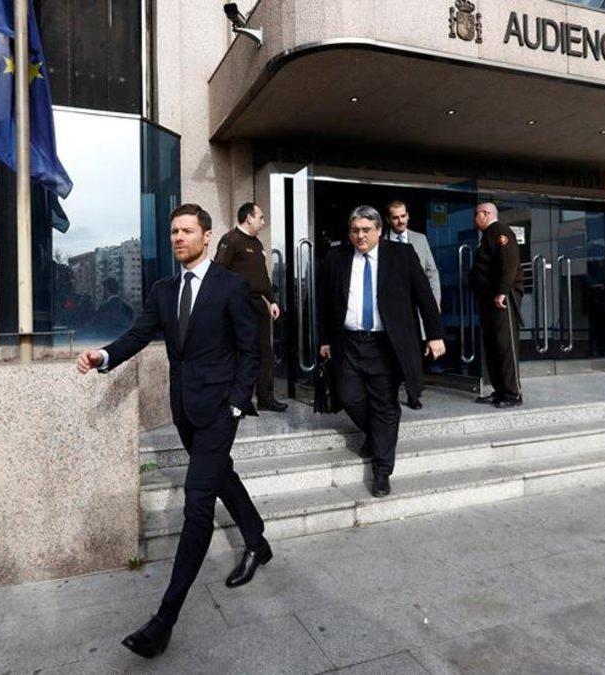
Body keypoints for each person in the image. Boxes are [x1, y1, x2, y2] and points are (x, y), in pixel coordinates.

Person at [76, 203, 271, 659]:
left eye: (186, 231)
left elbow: (251, 350)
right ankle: (257, 539)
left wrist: (239, 405)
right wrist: (103, 356)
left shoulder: (231, 285)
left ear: (207, 236)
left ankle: (164, 620)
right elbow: (138, 335)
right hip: (185, 409)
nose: (178, 238)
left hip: (221, 411)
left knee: (197, 505)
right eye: (173, 232)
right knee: (222, 477)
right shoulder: (164, 290)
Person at [319, 205, 445, 498]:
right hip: (348, 342)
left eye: (365, 230)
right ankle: (379, 435)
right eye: (354, 231)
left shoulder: (400, 255)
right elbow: (326, 302)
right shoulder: (337, 257)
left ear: (378, 230)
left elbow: (424, 296)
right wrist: (325, 339)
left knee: (385, 404)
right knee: (348, 396)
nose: (360, 236)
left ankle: (381, 471)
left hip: (385, 345)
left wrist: (435, 334)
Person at [215, 202, 287, 412]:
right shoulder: (230, 240)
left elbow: (262, 276)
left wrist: (272, 300)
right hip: (238, 305)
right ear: (249, 218)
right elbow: (219, 273)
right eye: (261, 217)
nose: (263, 222)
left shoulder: (256, 243)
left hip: (257, 305)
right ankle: (239, 401)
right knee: (241, 353)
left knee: (264, 351)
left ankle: (266, 398)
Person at [384, 199, 442, 409]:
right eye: (395, 217)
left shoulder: (420, 239)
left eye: (403, 216)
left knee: (414, 352)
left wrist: (433, 304)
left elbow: (431, 272)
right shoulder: (381, 242)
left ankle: (413, 393)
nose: (400, 221)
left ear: (408, 216)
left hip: (415, 307)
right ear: (389, 220)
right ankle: (390, 394)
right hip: (391, 308)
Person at [468, 202, 523, 408]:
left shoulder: (500, 230)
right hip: (488, 300)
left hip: (501, 300)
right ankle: (500, 390)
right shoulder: (487, 236)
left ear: (485, 213)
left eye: (476, 214)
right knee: (492, 347)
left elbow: (509, 263)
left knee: (505, 346)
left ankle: (513, 394)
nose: (474, 219)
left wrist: (501, 292)